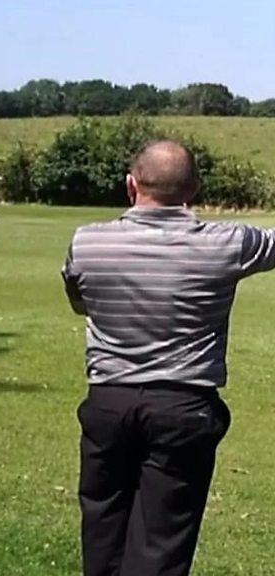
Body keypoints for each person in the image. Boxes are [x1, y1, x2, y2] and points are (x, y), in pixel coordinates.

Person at [61, 139, 275, 576]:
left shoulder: (87, 243)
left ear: (130, 184)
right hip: (183, 407)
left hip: (108, 402)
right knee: (160, 545)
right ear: (194, 189)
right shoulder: (228, 243)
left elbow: (81, 302)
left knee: (102, 534)